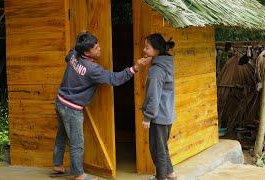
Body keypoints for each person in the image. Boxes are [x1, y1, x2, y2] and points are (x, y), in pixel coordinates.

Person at [52, 32, 151, 180]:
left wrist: (81, 38)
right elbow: (115, 79)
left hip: (60, 101)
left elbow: (69, 54)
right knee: (77, 142)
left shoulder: (74, 55)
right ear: (86, 52)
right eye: (96, 48)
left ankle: (58, 165)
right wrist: (135, 67)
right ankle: (78, 174)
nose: (100, 49)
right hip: (71, 109)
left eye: (98, 45)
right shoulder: (92, 69)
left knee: (61, 135)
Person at [141, 33, 176, 180]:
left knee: (157, 149)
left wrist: (148, 117)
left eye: (147, 48)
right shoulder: (166, 63)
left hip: (158, 116)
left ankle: (161, 177)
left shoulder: (156, 70)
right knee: (163, 147)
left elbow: (153, 96)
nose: (144, 50)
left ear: (156, 50)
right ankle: (170, 173)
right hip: (167, 114)